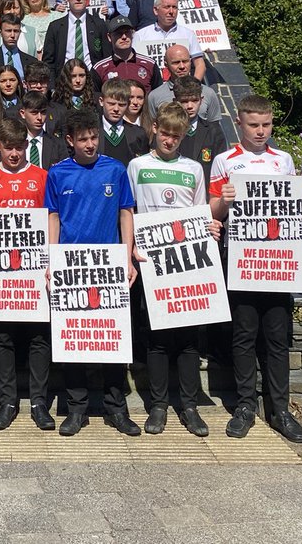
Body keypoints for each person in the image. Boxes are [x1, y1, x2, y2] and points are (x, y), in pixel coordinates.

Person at [210, 94, 302, 444]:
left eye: (266, 125)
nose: (260, 131)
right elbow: (212, 213)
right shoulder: (225, 161)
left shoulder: (283, 159)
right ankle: (244, 406)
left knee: (275, 336)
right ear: (239, 123)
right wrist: (223, 201)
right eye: (253, 125)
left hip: (277, 261)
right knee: (243, 335)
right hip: (240, 259)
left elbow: (294, 207)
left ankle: (280, 409)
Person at [45, 108, 140, 437]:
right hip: (72, 267)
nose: (90, 144)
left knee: (112, 340)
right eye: (83, 139)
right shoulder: (57, 174)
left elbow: (126, 214)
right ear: (70, 140)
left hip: (109, 265)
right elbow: (53, 218)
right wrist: (51, 260)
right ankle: (76, 410)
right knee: (74, 340)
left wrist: (128, 258)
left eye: (94, 137)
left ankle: (117, 409)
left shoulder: (115, 169)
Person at [127, 103, 217, 437]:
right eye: (165, 133)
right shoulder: (137, 166)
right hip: (151, 262)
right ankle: (159, 405)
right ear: (154, 130)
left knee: (189, 340)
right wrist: (132, 247)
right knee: (157, 340)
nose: (169, 141)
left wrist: (210, 231)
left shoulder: (193, 168)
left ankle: (189, 406)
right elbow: (129, 211)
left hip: (185, 264)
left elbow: (200, 213)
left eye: (176, 136)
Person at [0, 118, 54, 431]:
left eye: (20, 147)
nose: (15, 153)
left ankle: (39, 402)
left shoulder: (42, 177)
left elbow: (51, 220)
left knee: (38, 338)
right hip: (0, 275)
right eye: (9, 147)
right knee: (2, 338)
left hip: (35, 272)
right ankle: (8, 401)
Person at [41, 0, 112, 75]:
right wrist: (53, 87)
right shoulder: (55, 27)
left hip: (92, 80)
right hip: (64, 80)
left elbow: (106, 58)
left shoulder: (99, 25)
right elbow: (48, 62)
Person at [131, 0, 206, 81]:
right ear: (155, 10)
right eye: (167, 7)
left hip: (182, 88)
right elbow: (133, 65)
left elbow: (200, 64)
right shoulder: (140, 35)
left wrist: (194, 86)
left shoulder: (188, 34)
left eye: (174, 7)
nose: (171, 12)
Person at [173, 76, 227, 189]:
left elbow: (221, 168)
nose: (190, 106)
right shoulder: (168, 131)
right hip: (176, 191)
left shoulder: (213, 131)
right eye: (184, 101)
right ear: (175, 101)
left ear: (201, 100)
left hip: (205, 194)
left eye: (194, 100)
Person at [0, 16, 38, 110]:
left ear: (20, 32)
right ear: (0, 33)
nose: (12, 35)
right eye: (8, 31)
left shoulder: (30, 61)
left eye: (16, 31)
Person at [149, 45, 221, 120]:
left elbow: (215, 127)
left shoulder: (208, 93)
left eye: (185, 61)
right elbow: (152, 127)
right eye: (176, 63)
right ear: (166, 64)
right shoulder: (155, 96)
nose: (182, 66)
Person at [91, 15, 159, 94]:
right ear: (109, 37)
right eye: (118, 33)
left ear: (132, 34)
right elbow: (96, 98)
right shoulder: (99, 69)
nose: (124, 37)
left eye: (127, 32)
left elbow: (158, 96)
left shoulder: (149, 64)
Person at [97, 78, 149, 166]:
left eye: (122, 105)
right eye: (111, 104)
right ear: (101, 101)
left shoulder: (138, 133)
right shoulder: (91, 131)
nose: (116, 109)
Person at [18, 92, 68, 170]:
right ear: (23, 113)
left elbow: (64, 172)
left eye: (43, 112)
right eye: (34, 113)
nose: (39, 118)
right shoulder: (15, 143)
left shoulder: (57, 144)